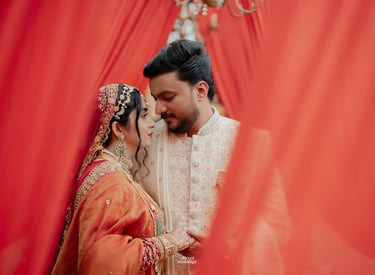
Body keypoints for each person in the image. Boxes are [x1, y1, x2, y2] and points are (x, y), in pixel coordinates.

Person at [139, 39, 292, 274]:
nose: (158, 109)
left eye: (167, 97)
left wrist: (226, 247)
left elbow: (278, 228)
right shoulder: (143, 143)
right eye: (155, 97)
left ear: (200, 90)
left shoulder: (250, 143)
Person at [51, 84, 196, 275]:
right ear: (118, 128)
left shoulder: (106, 170)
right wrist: (170, 242)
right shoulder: (110, 181)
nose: (152, 123)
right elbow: (103, 261)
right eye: (143, 115)